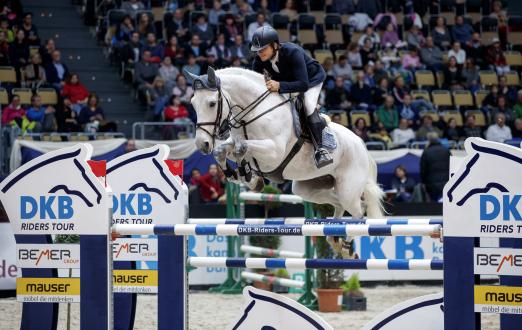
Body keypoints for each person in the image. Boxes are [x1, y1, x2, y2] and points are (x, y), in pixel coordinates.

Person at [250, 25, 331, 168]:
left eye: (263, 49)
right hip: (287, 82)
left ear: (275, 45)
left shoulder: (293, 52)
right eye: (257, 50)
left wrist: (279, 86)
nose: (260, 53)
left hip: (311, 80)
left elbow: (303, 84)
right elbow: (255, 85)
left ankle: (321, 150)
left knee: (307, 105)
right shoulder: (259, 60)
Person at [420, 132, 450, 201]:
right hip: (446, 182)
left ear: (429, 140)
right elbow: (453, 165)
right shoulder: (446, 150)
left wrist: (423, 182)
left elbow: (423, 170)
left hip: (431, 184)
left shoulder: (426, 152)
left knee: (434, 206)